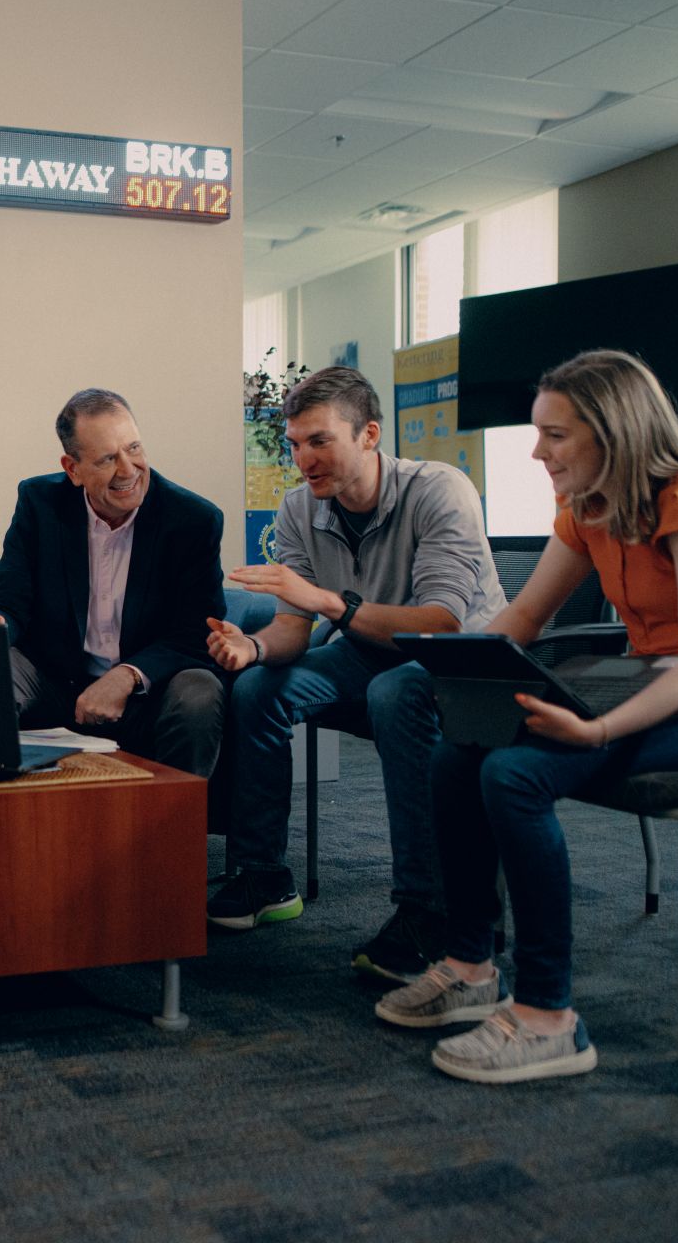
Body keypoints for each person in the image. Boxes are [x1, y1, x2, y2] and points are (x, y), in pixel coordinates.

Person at [375, 349, 678, 1084]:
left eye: (555, 434)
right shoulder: (589, 511)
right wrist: (451, 669)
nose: (536, 450)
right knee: (458, 754)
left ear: (614, 432)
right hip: (648, 688)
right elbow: (525, 617)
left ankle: (549, 1017)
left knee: (515, 774)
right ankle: (471, 966)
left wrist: (600, 729)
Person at [205, 365, 504, 983]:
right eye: (293, 444)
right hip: (368, 653)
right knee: (260, 690)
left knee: (396, 692)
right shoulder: (299, 509)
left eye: (319, 441)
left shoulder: (440, 491)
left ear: (368, 435)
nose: (302, 459)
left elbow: (442, 625)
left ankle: (427, 911)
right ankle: (265, 877)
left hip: (462, 666)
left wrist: (328, 604)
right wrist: (251, 650)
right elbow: (291, 629)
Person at [0, 388, 225, 780]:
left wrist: (128, 675)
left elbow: (195, 633)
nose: (129, 469)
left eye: (134, 448)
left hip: (148, 692)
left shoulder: (192, 520)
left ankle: (171, 833)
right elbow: (13, 592)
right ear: (73, 468)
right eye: (108, 459)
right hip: (56, 680)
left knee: (200, 689)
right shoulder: (39, 502)